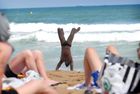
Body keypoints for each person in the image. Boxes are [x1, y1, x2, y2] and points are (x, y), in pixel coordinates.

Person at [0, 13, 57, 94]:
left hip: (10, 73)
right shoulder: (4, 49)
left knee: (37, 53)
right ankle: (37, 78)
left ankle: (45, 78)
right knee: (26, 53)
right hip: (7, 73)